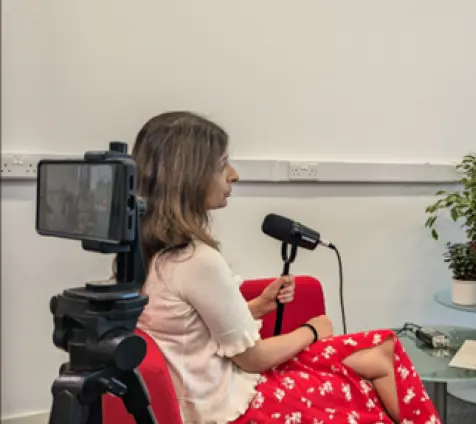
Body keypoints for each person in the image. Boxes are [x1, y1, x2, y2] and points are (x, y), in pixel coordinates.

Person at [132, 111, 440, 424]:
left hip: (218, 386)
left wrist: (255, 307)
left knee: (382, 347)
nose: (233, 175)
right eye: (221, 164)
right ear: (191, 176)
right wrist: (312, 331)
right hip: (234, 404)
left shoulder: (150, 251)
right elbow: (253, 358)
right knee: (367, 385)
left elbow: (189, 330)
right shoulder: (196, 260)